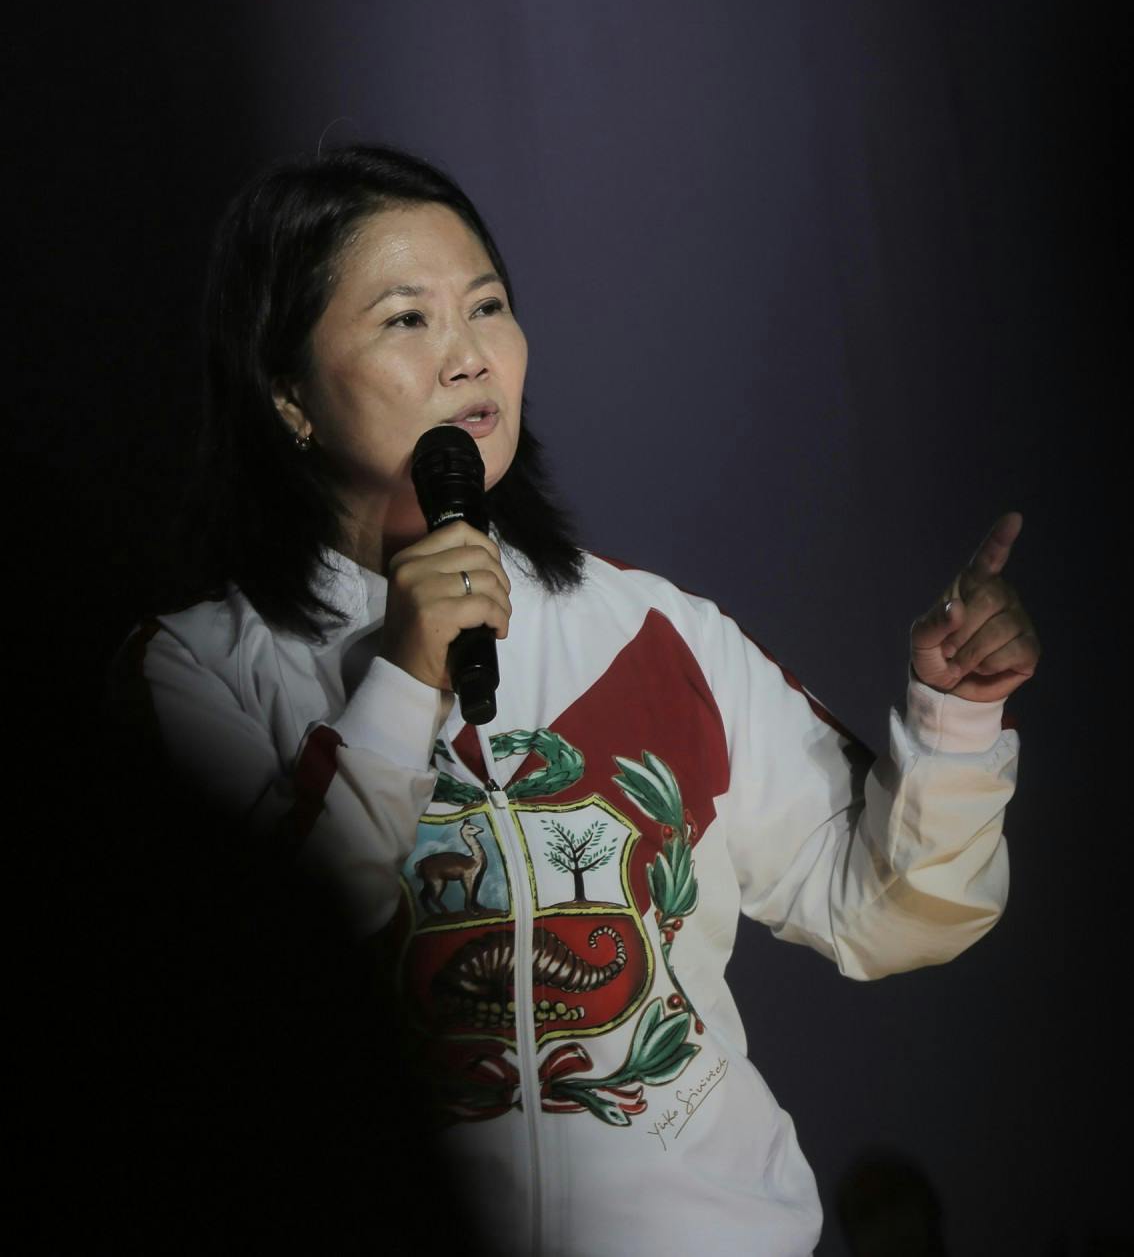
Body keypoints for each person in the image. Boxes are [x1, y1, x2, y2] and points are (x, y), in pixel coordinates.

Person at [126, 143, 1038, 1255]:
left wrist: (953, 717)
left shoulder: (650, 631)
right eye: (407, 319)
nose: (468, 355)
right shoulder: (197, 668)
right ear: (289, 395)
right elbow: (238, 994)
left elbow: (887, 906)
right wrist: (403, 679)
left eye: (488, 306)